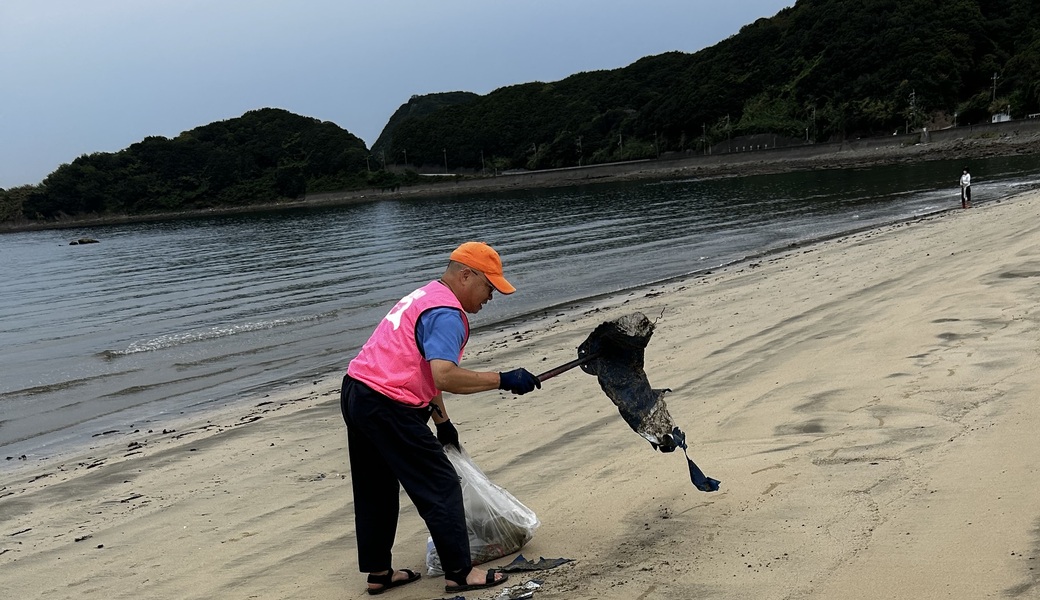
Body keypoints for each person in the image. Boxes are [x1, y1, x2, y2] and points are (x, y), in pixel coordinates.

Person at [340, 241, 541, 595]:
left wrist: (441, 421)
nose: (491, 296)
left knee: (375, 488)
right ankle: (460, 573)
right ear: (466, 275)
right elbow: (445, 375)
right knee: (441, 484)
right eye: (488, 287)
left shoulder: (427, 295)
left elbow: (424, 369)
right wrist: (503, 379)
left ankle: (379, 574)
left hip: (358, 391)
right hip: (389, 404)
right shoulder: (448, 314)